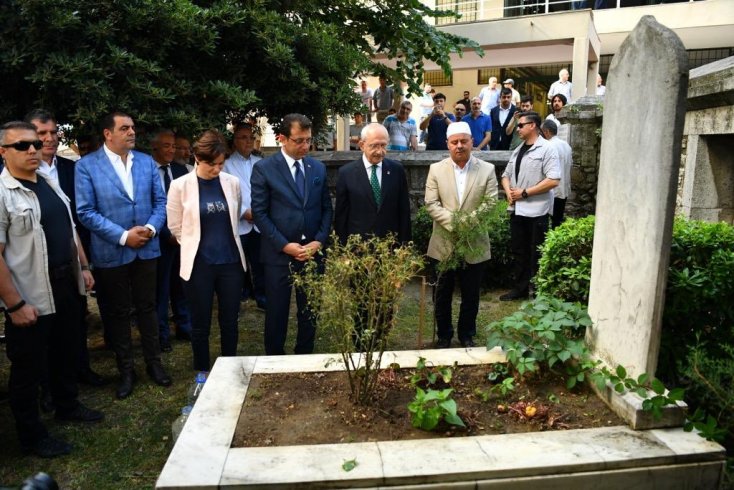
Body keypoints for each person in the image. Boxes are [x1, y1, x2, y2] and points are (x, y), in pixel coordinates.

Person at [0, 121, 103, 458]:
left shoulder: (47, 181)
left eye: (34, 143)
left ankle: (67, 404)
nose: (32, 149)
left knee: (67, 350)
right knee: (28, 368)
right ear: (3, 151)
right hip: (30, 295)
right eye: (21, 145)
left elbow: (69, 228)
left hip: (65, 283)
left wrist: (84, 267)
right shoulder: (3, 193)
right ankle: (31, 435)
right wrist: (15, 305)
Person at [75, 112, 172, 399]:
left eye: (133, 128)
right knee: (117, 313)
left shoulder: (145, 161)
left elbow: (161, 201)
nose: (132, 132)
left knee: (148, 307)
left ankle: (154, 364)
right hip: (111, 251)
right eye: (124, 128)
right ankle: (126, 371)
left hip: (147, 247)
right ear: (108, 134)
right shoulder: (87, 166)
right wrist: (123, 236)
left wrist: (152, 229)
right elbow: (85, 211)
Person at [25, 109, 105, 390]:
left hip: (72, 255)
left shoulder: (72, 169)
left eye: (52, 132)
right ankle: (47, 385)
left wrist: (83, 264)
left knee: (76, 318)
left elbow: (77, 219)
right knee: (44, 328)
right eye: (41, 133)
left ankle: (80, 369)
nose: (48, 139)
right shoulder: (16, 176)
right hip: (34, 264)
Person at [251, 114, 333, 355]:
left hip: (312, 253)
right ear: (282, 139)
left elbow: (326, 208)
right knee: (277, 310)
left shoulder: (316, 167)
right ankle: (274, 357)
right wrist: (285, 245)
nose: (305, 146)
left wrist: (319, 240)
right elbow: (260, 213)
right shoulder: (264, 169)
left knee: (310, 310)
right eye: (299, 141)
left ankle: (304, 353)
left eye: (308, 140)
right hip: (279, 255)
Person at [167, 130, 247, 372]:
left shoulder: (232, 183)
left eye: (221, 163)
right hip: (199, 264)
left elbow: (236, 214)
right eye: (211, 164)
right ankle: (202, 370)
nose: (217, 169)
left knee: (230, 320)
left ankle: (229, 368)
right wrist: (194, 244)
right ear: (197, 158)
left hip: (231, 263)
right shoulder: (179, 186)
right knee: (200, 323)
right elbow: (175, 226)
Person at [425, 122, 498, 348]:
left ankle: (467, 334)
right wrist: (456, 224)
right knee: (442, 295)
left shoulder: (487, 169)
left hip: (474, 243)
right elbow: (431, 203)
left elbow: (491, 202)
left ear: (471, 142)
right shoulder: (436, 169)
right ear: (447, 144)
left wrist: (467, 223)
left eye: (463, 141)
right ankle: (444, 336)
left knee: (471, 295)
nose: (459, 146)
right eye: (454, 142)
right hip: (443, 244)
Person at [500, 112, 560, 301]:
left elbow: (553, 180)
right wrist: (509, 191)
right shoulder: (518, 150)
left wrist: (525, 192)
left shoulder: (547, 149)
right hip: (517, 210)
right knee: (519, 251)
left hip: (537, 211)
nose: (517, 129)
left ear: (532, 125)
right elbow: (505, 174)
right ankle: (520, 289)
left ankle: (538, 292)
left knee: (537, 252)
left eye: (521, 125)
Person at [150, 129, 192, 353]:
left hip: (183, 238)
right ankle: (161, 334)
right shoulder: (147, 170)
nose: (171, 150)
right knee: (161, 289)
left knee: (182, 285)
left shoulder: (182, 170)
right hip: (159, 239)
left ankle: (184, 326)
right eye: (166, 146)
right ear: (155, 148)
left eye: (173, 146)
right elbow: (152, 206)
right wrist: (168, 234)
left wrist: (184, 233)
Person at [335, 123, 411, 244]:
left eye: (383, 145)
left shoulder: (397, 170)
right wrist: (342, 249)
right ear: (361, 145)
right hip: (358, 247)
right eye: (374, 146)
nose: (380, 151)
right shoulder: (346, 173)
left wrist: (404, 245)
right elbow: (341, 216)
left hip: (391, 246)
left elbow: (404, 211)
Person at [223, 122, 266, 310]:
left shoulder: (261, 163)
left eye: (250, 138)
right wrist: (243, 212)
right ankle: (240, 294)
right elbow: (226, 194)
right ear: (234, 140)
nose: (248, 141)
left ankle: (262, 297)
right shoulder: (225, 165)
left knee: (260, 261)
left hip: (260, 222)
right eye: (243, 137)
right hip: (239, 223)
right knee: (238, 263)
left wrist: (261, 212)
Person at [541, 120, 573, 229]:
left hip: (551, 189)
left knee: (546, 221)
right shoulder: (566, 146)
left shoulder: (547, 146)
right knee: (557, 221)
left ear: (546, 132)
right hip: (563, 188)